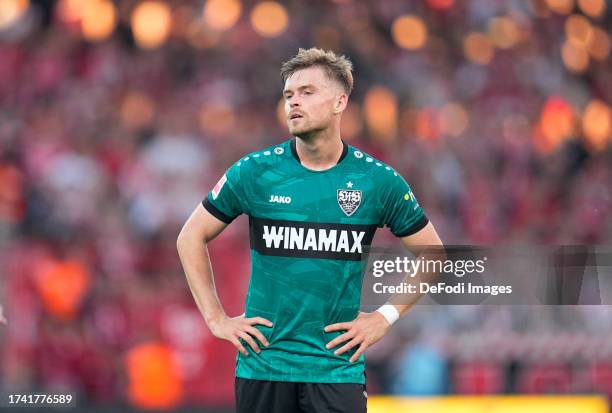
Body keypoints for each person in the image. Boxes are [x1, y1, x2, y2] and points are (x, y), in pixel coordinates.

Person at [177, 47, 444, 413]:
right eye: (288, 95)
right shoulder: (255, 172)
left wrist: (385, 318)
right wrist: (216, 318)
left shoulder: (376, 181)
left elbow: (435, 254)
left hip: (336, 370)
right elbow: (190, 236)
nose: (294, 103)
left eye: (307, 92)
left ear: (339, 102)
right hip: (264, 366)